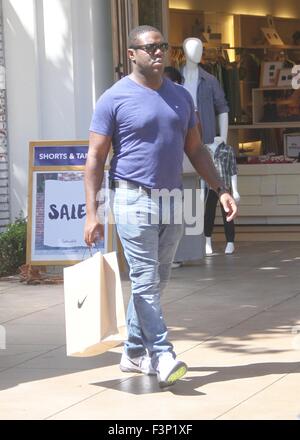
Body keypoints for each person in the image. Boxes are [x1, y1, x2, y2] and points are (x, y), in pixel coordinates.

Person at [84, 25, 237, 388]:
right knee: (146, 280)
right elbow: (94, 157)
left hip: (173, 199)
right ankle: (163, 354)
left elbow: (196, 149)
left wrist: (221, 187)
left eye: (162, 47)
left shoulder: (181, 96)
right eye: (150, 47)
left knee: (158, 280)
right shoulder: (113, 98)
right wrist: (93, 212)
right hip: (132, 197)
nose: (158, 53)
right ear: (131, 54)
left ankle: (134, 352)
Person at [204, 136, 240, 255]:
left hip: (224, 188)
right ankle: (207, 240)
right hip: (210, 187)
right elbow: (202, 172)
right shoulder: (205, 149)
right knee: (209, 214)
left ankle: (230, 242)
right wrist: (200, 191)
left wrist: (235, 190)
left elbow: (232, 170)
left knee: (228, 215)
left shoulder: (228, 149)